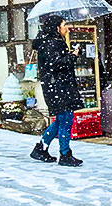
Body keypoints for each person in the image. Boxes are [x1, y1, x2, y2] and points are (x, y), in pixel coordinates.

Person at [29, 15, 84, 167]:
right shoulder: (52, 43)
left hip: (55, 87)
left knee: (61, 119)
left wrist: (69, 55)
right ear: (56, 27)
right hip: (59, 87)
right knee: (66, 119)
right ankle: (65, 154)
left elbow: (54, 63)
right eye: (64, 24)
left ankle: (41, 148)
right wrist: (72, 56)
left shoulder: (49, 41)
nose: (67, 27)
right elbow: (55, 64)